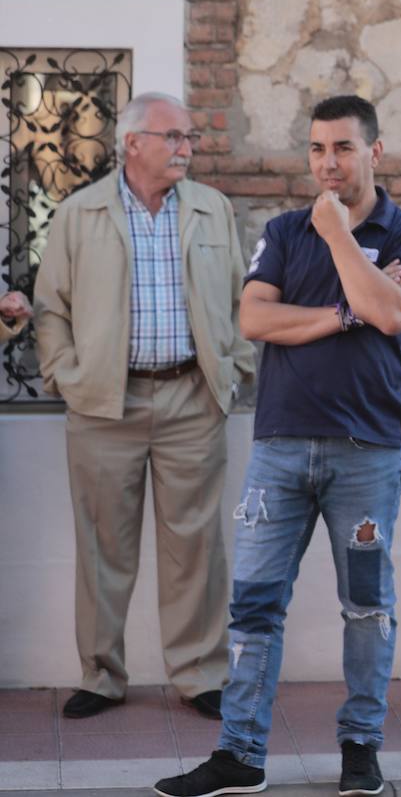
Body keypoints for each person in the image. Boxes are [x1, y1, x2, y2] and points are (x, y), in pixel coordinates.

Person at [154, 95, 401, 797]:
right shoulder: (282, 231)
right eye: (316, 149)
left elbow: (392, 311)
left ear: (376, 152)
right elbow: (253, 316)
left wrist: (341, 237)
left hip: (367, 451)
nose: (327, 162)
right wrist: (343, 312)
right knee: (253, 605)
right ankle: (240, 754)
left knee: (366, 606)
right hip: (279, 448)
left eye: (342, 148)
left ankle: (361, 750)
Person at [33, 92, 255, 722]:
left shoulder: (212, 209)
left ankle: (200, 674)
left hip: (192, 395)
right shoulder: (79, 214)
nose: (185, 147)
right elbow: (51, 308)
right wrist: (66, 376)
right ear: (133, 144)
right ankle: (101, 674)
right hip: (105, 403)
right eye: (173, 137)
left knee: (197, 545)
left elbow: (242, 297)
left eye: (189, 138)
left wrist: (235, 367)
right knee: (104, 544)